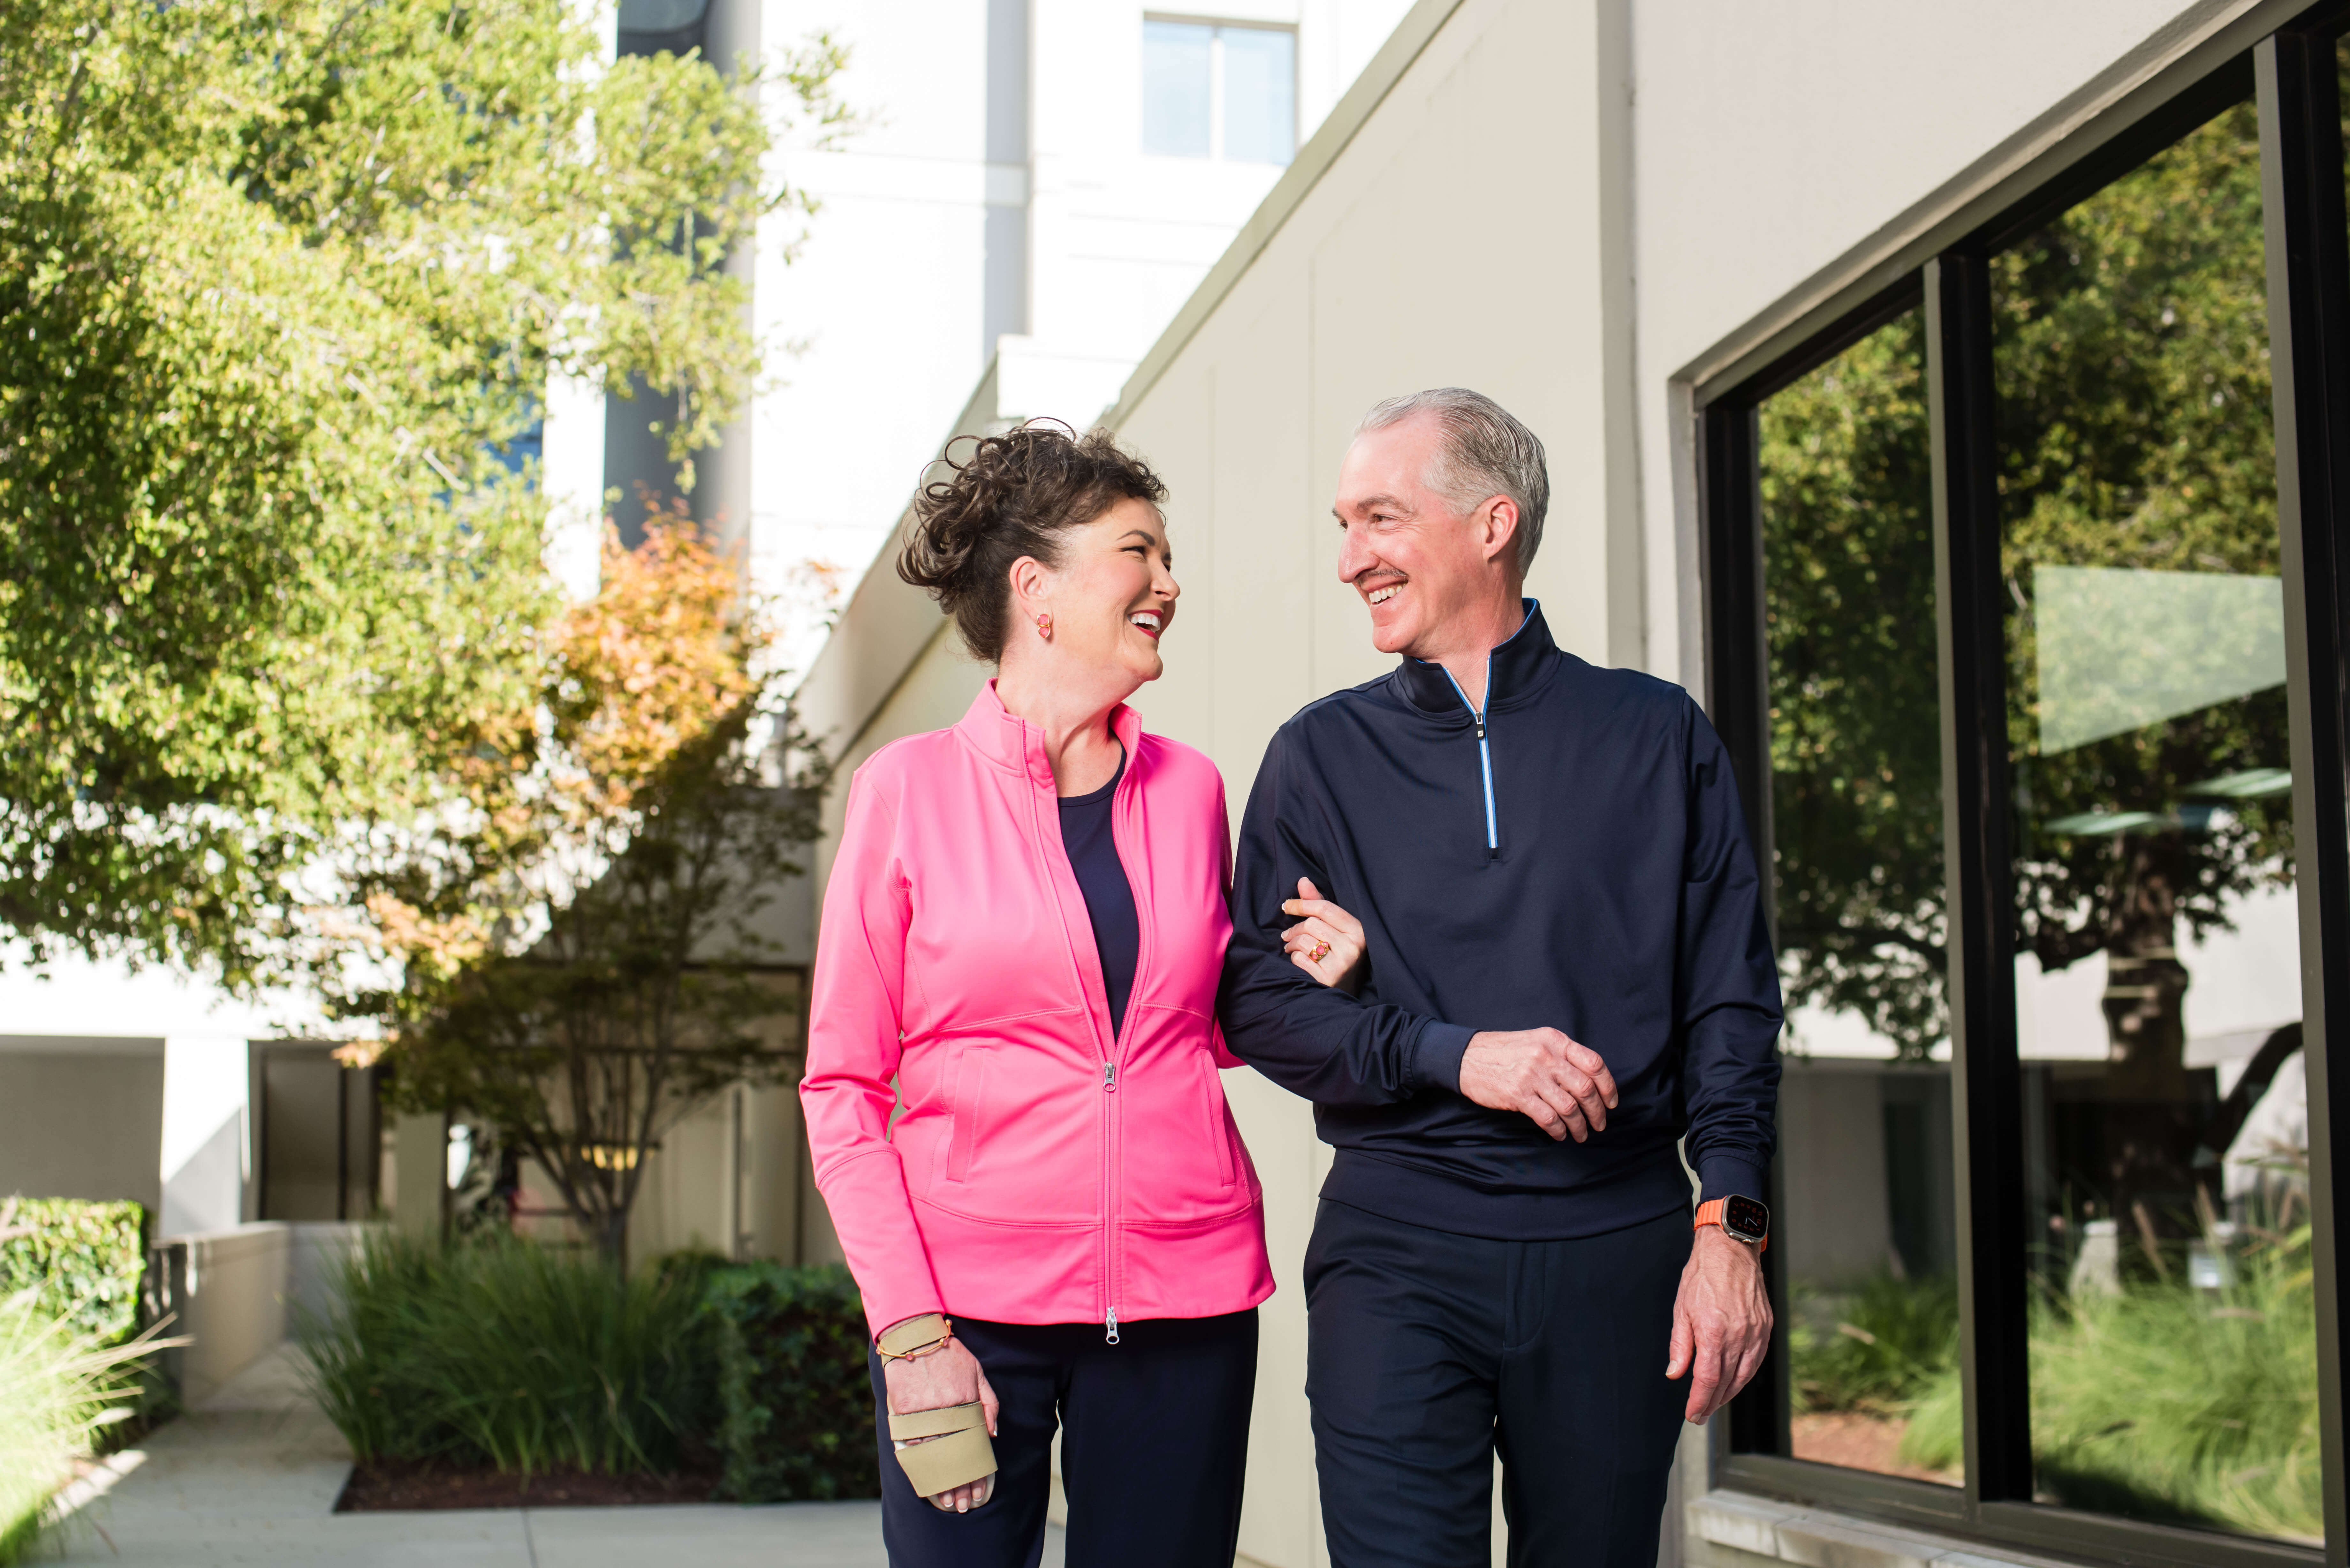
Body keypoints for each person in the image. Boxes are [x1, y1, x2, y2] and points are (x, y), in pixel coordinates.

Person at [1221, 388, 1784, 1568]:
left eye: (1380, 518)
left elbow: (1731, 1006)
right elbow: (1257, 1004)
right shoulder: (1318, 756)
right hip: (1395, 1254)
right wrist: (1455, 1053)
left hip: (1617, 1253)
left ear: (1492, 524)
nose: (1349, 560)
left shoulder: (1659, 734)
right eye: (1343, 526)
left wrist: (1731, 1229)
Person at [802, 421, 1294, 1568]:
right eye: (1138, 553)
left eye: (1168, 557)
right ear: (1037, 590)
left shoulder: (1192, 791)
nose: (1168, 583)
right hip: (967, 1320)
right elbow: (842, 1088)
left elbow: (1201, 1025)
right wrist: (910, 1332)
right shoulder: (906, 791)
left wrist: (1312, 966)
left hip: (1184, 1304)